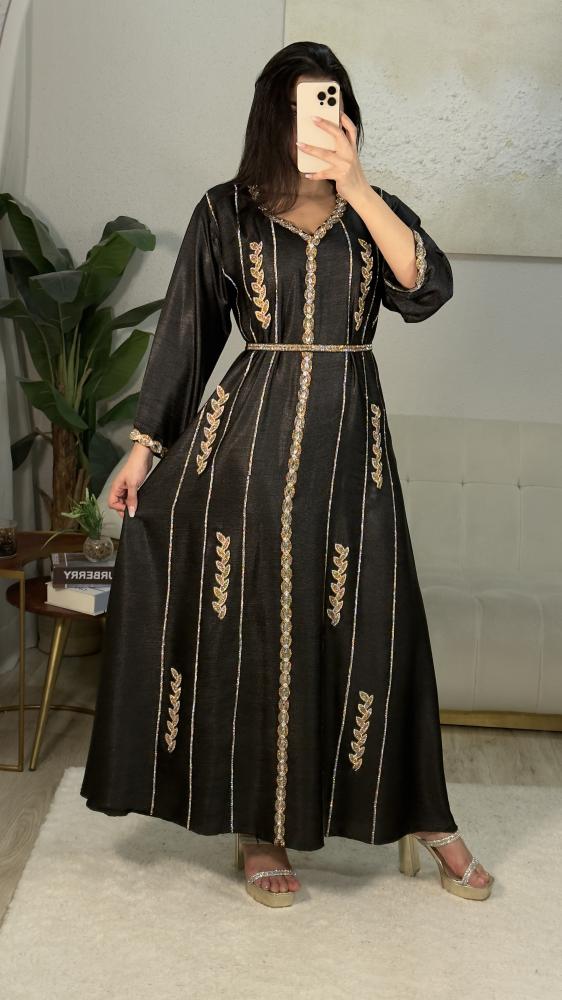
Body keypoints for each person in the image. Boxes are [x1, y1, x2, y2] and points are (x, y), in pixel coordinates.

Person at [80, 41, 494, 907]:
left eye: (334, 101)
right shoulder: (226, 211)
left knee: (379, 626)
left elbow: (424, 288)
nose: (323, 118)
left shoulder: (371, 209)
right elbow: (188, 334)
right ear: (276, 113)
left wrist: (358, 184)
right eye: (308, 103)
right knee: (257, 626)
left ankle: (427, 815)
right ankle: (259, 829)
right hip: (251, 451)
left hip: (351, 450)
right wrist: (144, 448)